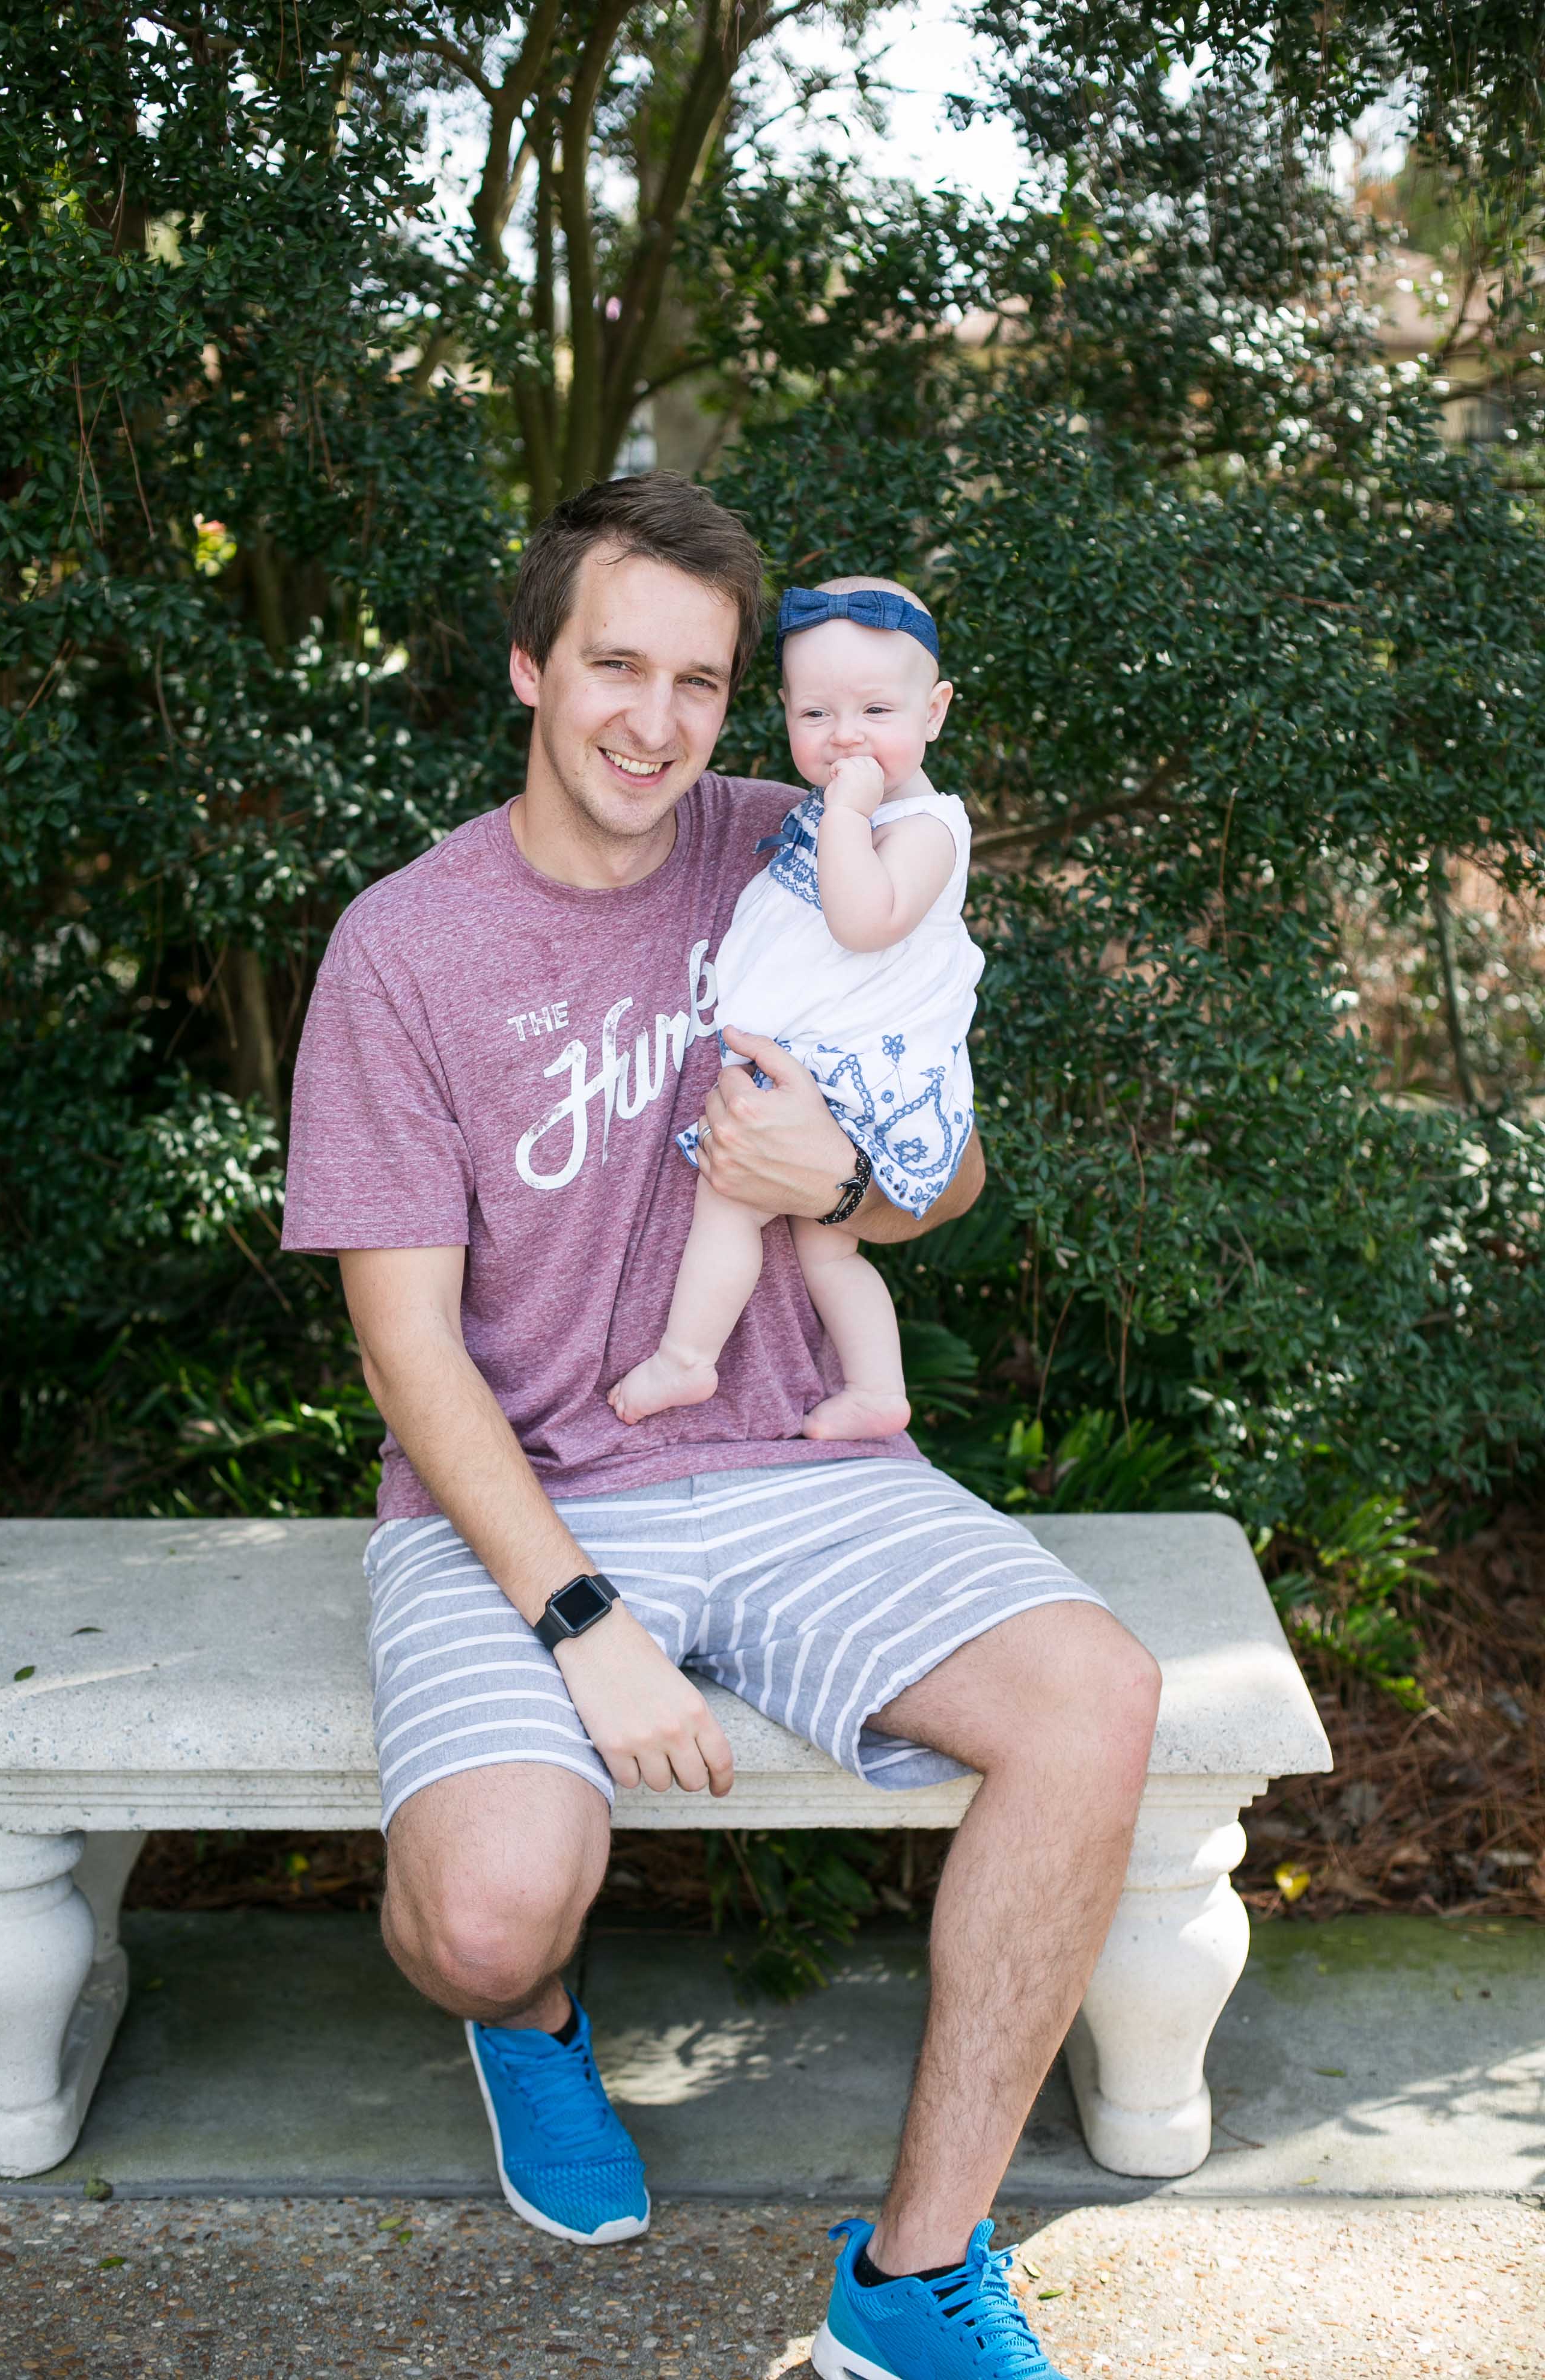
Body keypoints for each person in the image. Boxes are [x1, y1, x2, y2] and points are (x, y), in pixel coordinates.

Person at [281, 472, 1160, 2380]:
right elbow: (407, 1351)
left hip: (792, 1461)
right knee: (485, 1920)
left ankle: (913, 2283)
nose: (656, 721)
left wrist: (845, 1183)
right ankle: (531, 2026)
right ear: (532, 667)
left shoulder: (812, 843)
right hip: (517, 1496)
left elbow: (949, 1168)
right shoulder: (404, 946)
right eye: (617, 666)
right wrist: (581, 1622)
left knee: (1096, 1701)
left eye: (699, 681)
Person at [607, 574, 981, 1444]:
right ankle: (878, 1388)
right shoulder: (831, 812)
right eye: (816, 714)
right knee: (827, 1247)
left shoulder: (926, 828)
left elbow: (863, 920)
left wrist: (846, 814)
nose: (845, 735)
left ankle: (688, 1356)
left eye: (876, 712)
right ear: (784, 713)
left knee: (730, 1196)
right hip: (821, 1060)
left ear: (933, 712)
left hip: (852, 1072)